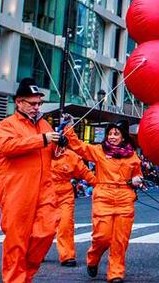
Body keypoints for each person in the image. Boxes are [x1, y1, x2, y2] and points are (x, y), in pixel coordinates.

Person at [0, 79, 61, 283]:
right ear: (18, 102)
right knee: (16, 240)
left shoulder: (44, 124)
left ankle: (25, 274)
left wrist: (58, 149)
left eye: (39, 103)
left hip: (44, 188)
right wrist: (43, 140)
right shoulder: (7, 125)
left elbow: (50, 152)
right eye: (32, 103)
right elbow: (8, 147)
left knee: (47, 231)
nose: (36, 107)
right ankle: (16, 279)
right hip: (17, 190)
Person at [63, 120, 141, 282]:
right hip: (103, 197)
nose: (112, 137)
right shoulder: (99, 151)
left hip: (125, 198)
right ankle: (93, 257)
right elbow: (79, 147)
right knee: (102, 237)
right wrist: (68, 128)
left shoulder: (132, 155)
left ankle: (116, 272)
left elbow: (137, 174)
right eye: (110, 133)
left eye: (116, 134)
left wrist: (136, 179)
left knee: (120, 240)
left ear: (123, 137)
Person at [50, 142, 96, 267]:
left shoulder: (71, 156)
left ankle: (67, 256)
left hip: (64, 195)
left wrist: (99, 185)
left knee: (66, 224)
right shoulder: (40, 154)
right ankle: (35, 253)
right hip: (44, 195)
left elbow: (85, 173)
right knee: (42, 229)